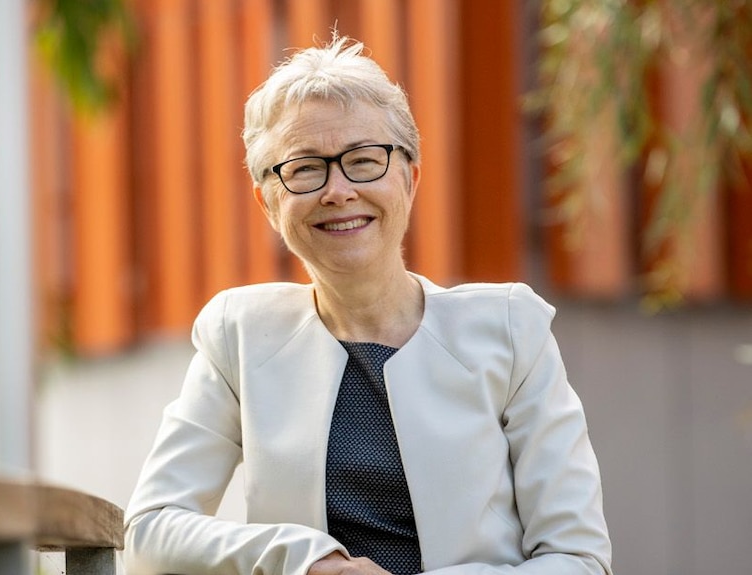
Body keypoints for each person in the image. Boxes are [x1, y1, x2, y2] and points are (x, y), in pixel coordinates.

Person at [123, 34, 612, 575]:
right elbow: (151, 533)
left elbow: (579, 560)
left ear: (410, 177)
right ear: (268, 202)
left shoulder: (512, 329)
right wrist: (305, 561)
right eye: (305, 168)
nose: (338, 190)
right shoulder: (239, 334)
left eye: (363, 159)